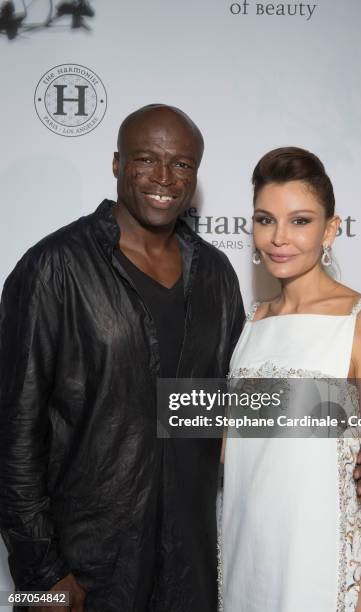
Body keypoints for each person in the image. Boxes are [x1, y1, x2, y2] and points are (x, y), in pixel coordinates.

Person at [0, 104, 245, 612]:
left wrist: (349, 430)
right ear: (116, 164)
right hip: (86, 570)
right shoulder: (53, 267)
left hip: (189, 566)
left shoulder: (217, 274)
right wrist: (40, 572)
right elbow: (14, 432)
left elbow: (233, 407)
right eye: (145, 159)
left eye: (182, 164)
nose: (164, 178)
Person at [221, 147, 361, 611]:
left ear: (331, 229)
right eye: (265, 219)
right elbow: (230, 450)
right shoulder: (251, 323)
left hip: (321, 572)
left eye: (300, 221)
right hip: (245, 564)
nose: (279, 238)